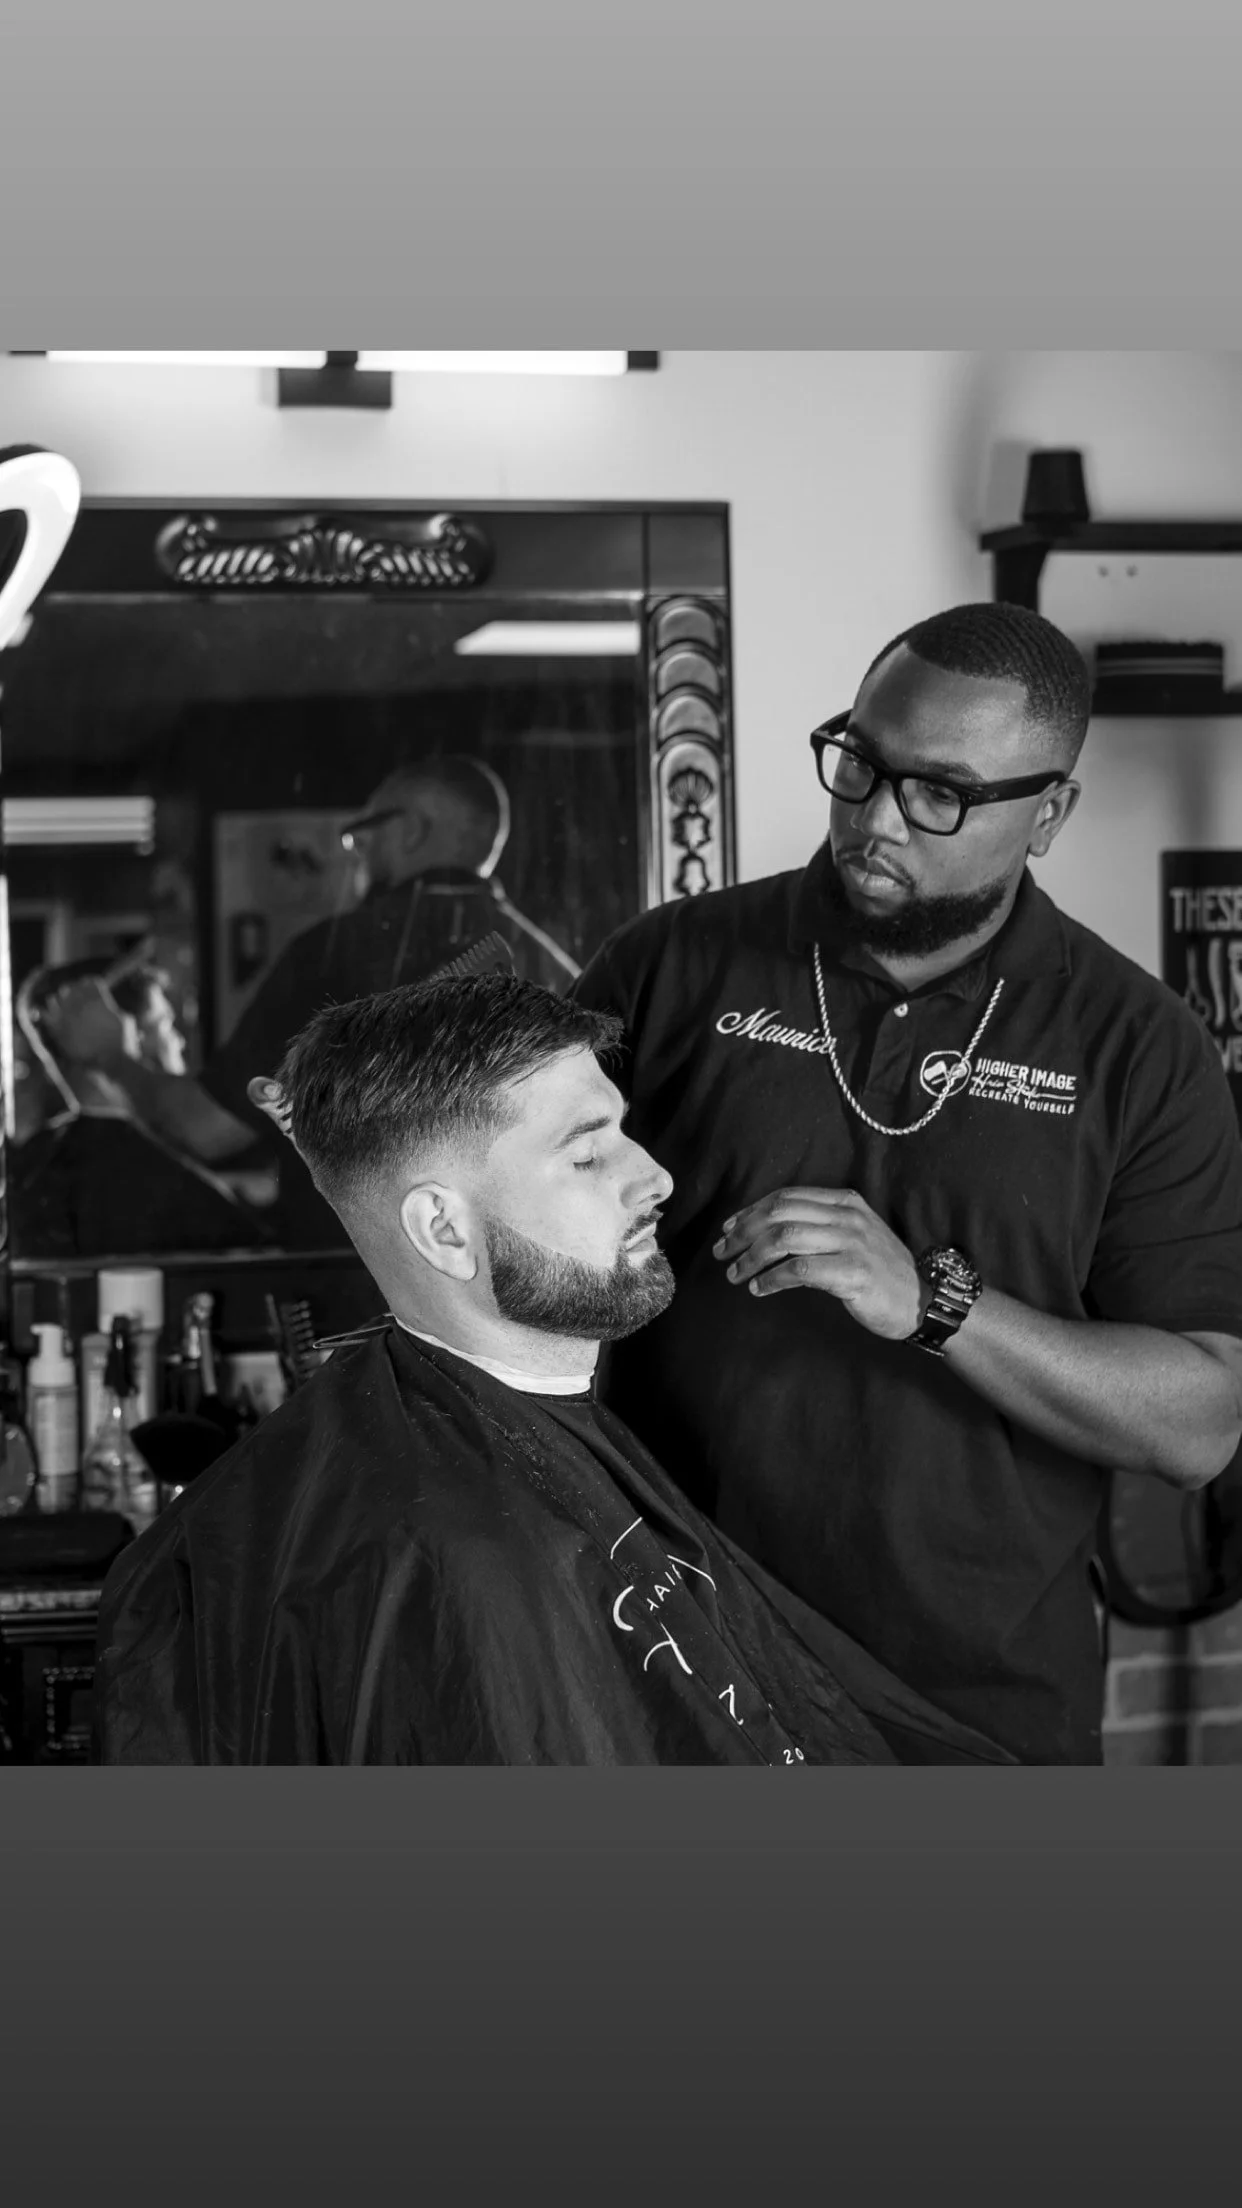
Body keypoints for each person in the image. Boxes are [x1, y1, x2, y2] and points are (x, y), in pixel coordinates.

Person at [570, 600, 1242, 1766]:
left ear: (1049, 815)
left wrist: (936, 1304)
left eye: (942, 793)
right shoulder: (670, 966)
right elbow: (512, 1224)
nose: (878, 818)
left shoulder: (1138, 1044)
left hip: (974, 1710)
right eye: (862, 764)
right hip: (668, 1664)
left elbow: (1198, 1422)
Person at [92, 973, 1014, 1766]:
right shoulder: (458, 1563)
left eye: (623, 1132)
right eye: (587, 1153)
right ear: (444, 1230)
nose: (655, 1176)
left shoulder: (497, 1449)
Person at [38, 755, 581, 1247]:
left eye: (362, 836)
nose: (356, 856)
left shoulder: (333, 955)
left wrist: (111, 1055)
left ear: (412, 830)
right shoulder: (554, 967)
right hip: (525, 1286)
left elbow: (208, 1129)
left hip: (361, 1298)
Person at [9, 957, 270, 1260]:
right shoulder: (133, 1177)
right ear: (121, 1032)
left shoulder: (36, 1170)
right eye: (165, 1024)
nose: (179, 1042)